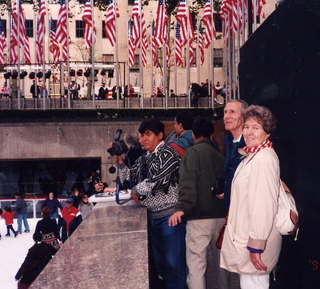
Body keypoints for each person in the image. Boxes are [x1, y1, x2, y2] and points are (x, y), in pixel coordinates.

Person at [113, 118, 186, 289]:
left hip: (169, 217)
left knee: (174, 265)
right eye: (141, 136)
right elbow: (128, 179)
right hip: (153, 218)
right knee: (161, 265)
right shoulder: (144, 158)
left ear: (160, 135)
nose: (142, 139)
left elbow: (155, 181)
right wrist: (120, 161)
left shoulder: (168, 153)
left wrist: (136, 191)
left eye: (147, 135)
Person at [220, 105, 282, 289]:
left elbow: (263, 206)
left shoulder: (263, 159)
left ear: (267, 132)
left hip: (255, 242)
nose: (249, 132)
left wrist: (256, 247)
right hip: (249, 237)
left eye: (256, 127)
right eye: (247, 126)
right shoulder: (253, 155)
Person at [169, 117, 226, 289]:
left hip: (198, 218)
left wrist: (181, 208)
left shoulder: (192, 153)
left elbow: (187, 184)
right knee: (220, 267)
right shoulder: (219, 155)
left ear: (193, 134)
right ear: (210, 135)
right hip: (220, 217)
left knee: (196, 267)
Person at [222, 100, 248, 210]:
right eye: (225, 112)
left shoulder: (250, 144)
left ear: (243, 117)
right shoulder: (228, 142)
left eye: (232, 112)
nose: (226, 116)